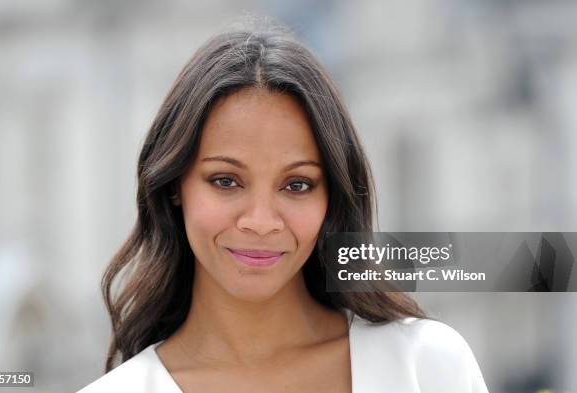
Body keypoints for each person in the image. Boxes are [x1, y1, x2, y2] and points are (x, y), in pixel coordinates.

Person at [78, 24, 489, 393]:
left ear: (331, 197)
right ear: (174, 187)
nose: (260, 221)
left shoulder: (428, 365)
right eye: (225, 181)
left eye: (297, 185)